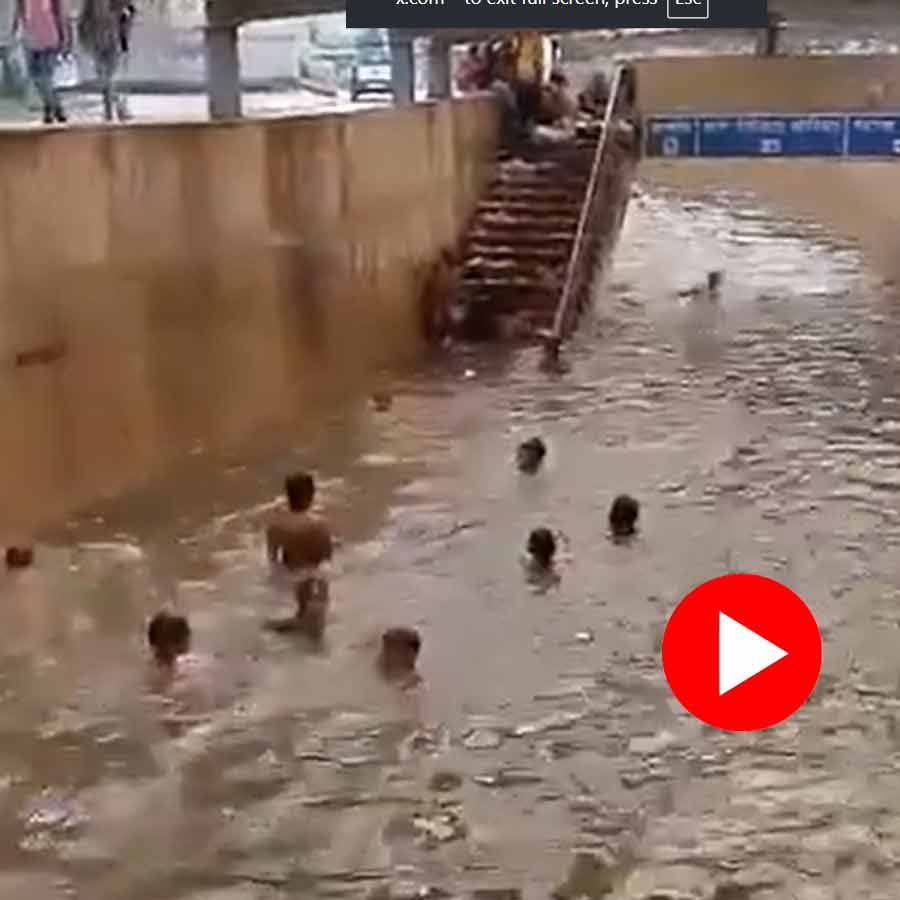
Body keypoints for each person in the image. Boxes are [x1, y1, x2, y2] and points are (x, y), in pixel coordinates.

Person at [78, 0, 134, 122]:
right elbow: (84, 16)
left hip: (114, 39)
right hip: (98, 40)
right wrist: (83, 36)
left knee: (109, 76)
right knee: (104, 76)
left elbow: (129, 12)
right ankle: (116, 106)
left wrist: (124, 30)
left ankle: (112, 109)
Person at [265, 471, 333, 572]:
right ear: (311, 495)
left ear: (288, 495)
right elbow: (327, 561)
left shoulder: (274, 526)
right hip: (313, 574)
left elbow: (272, 561)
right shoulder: (318, 525)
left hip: (288, 574)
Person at [13, 0, 68, 123]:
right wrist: (17, 29)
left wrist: (64, 38)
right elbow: (20, 12)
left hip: (49, 39)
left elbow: (60, 14)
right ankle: (51, 106)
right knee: (36, 77)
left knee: (45, 77)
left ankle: (56, 109)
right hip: (30, 41)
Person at [265, 576, 329, 641]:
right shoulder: (286, 626)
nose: (319, 604)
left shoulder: (329, 623)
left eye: (322, 598)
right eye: (317, 599)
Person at [420, 248, 459, 345]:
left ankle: (435, 341)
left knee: (438, 321)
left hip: (438, 305)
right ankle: (439, 341)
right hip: (439, 304)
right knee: (440, 321)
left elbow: (442, 290)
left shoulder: (444, 274)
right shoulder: (447, 274)